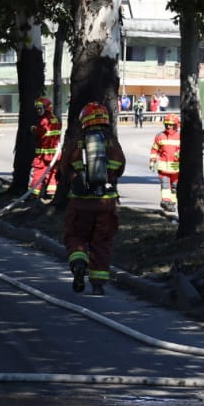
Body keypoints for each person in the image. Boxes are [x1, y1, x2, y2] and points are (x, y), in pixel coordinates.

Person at [65, 102, 126, 296]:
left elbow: (64, 168)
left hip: (80, 203)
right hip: (105, 203)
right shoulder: (112, 143)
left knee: (76, 236)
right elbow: (120, 167)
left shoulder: (77, 143)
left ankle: (79, 262)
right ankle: (98, 283)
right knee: (102, 242)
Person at [29, 96, 62, 199]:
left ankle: (34, 193)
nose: (38, 111)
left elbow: (39, 131)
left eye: (40, 108)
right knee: (52, 172)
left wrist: (33, 128)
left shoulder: (43, 121)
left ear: (46, 108)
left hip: (43, 154)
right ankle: (51, 192)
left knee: (39, 172)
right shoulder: (55, 119)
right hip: (54, 154)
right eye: (37, 108)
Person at [149, 114, 181, 215]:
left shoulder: (180, 137)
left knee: (175, 187)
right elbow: (154, 150)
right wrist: (152, 161)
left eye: (171, 125)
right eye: (167, 124)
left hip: (175, 168)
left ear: (176, 125)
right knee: (165, 185)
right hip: (163, 168)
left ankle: (172, 203)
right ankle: (165, 201)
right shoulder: (160, 137)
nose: (168, 126)